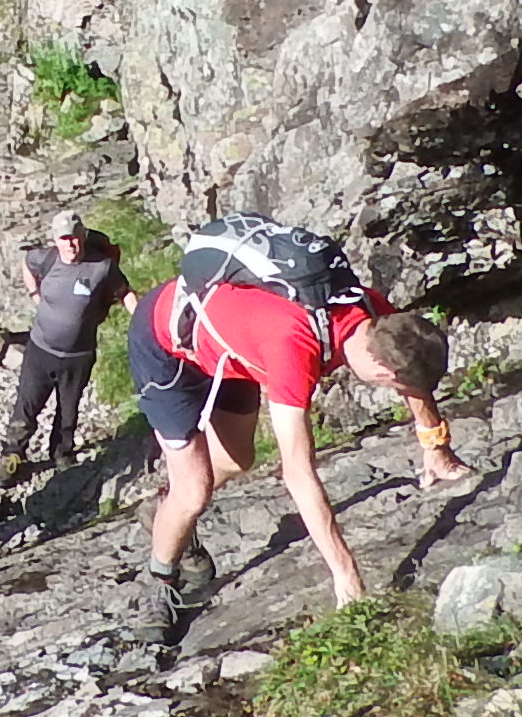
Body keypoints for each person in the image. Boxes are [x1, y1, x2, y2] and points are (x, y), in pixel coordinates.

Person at [127, 217, 472, 614]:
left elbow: (412, 378)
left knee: (237, 460)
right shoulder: (293, 346)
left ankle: (165, 510)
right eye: (392, 385)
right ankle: (161, 581)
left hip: (230, 348)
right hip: (164, 344)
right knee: (193, 491)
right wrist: (345, 573)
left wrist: (435, 446)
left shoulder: (374, 315)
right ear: (381, 371)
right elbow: (297, 471)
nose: (397, 390)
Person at [0, 216, 127, 482]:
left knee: (68, 411)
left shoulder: (102, 266)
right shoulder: (45, 258)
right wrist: (34, 294)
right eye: (65, 239)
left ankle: (61, 454)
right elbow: (27, 263)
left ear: (83, 236)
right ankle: (12, 455)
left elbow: (125, 293)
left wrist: (147, 319)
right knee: (27, 406)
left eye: (75, 237)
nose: (70, 244)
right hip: (40, 351)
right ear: (56, 240)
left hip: (78, 357)